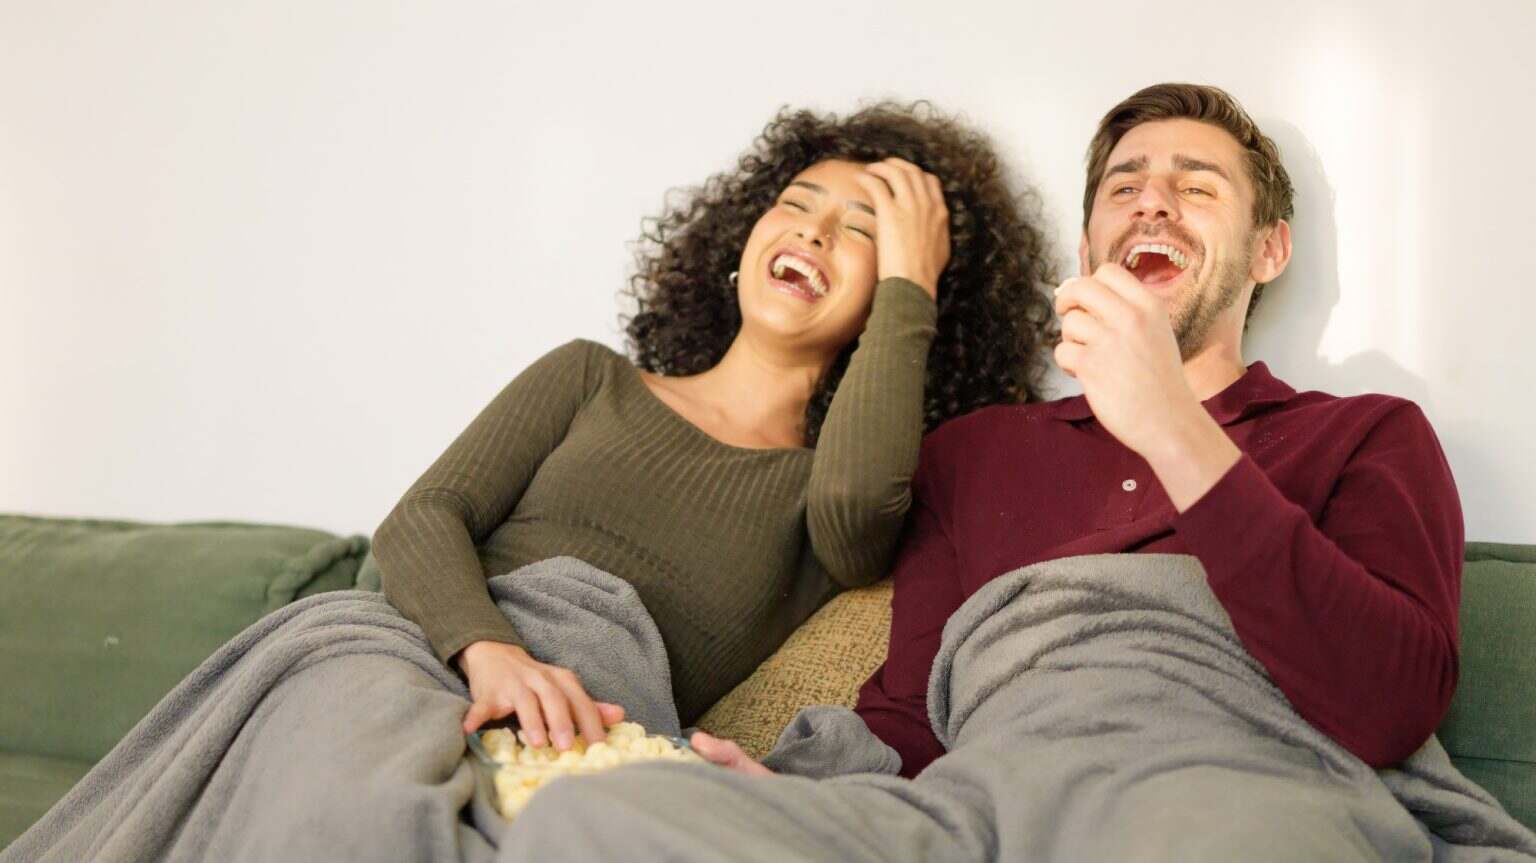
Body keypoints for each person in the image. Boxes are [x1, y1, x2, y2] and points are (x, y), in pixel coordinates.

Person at [371, 102, 1058, 752]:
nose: (814, 232)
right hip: (406, 661)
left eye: (863, 230)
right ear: (741, 238)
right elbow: (422, 517)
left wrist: (913, 281)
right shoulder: (588, 377)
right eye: (795, 204)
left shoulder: (823, 497)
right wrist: (493, 654)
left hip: (575, 739)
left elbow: (857, 504)